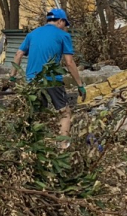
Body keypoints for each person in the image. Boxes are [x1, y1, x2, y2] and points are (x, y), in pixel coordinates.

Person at [10, 8, 86, 140]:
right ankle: (63, 147)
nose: (65, 28)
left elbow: (18, 54)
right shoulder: (63, 36)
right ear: (61, 21)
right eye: (65, 25)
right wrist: (80, 85)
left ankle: (38, 149)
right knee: (65, 112)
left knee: (38, 115)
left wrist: (12, 78)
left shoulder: (32, 34)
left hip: (32, 81)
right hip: (52, 79)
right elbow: (69, 62)